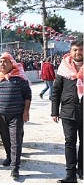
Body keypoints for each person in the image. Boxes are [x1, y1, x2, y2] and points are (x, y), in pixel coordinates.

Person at [0, 52, 32, 180]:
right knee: (5, 139)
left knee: (15, 141)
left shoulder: (20, 78)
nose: (2, 63)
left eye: (5, 61)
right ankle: (9, 156)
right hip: (0, 115)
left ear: (12, 63)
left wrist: (26, 111)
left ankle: (15, 167)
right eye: (0, 61)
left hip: (16, 115)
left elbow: (27, 96)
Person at [51, 41, 83, 183]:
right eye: (75, 50)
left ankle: (81, 169)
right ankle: (70, 174)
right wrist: (54, 111)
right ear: (70, 52)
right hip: (68, 112)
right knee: (70, 142)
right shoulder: (63, 69)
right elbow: (56, 91)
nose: (78, 52)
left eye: (81, 50)